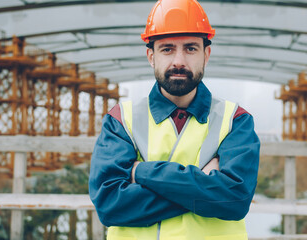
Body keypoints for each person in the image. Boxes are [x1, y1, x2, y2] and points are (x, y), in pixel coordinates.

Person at [89, 0, 260, 239]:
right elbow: (109, 205)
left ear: (206, 55)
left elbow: (235, 200)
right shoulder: (121, 121)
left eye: (190, 48)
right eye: (167, 49)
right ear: (151, 56)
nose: (179, 61)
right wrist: (204, 186)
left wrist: (141, 173)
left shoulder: (236, 121)